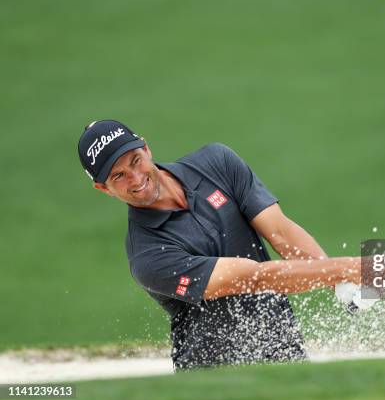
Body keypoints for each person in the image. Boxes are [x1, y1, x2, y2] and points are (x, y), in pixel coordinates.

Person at [77, 120, 362, 370]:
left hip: (284, 351)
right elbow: (255, 278)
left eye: (135, 161)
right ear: (104, 189)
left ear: (147, 149)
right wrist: (351, 268)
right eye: (119, 176)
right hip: (216, 381)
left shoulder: (216, 162)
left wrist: (342, 283)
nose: (136, 178)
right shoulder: (147, 256)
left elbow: (281, 234)